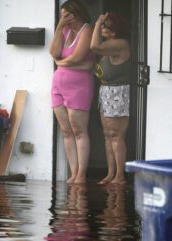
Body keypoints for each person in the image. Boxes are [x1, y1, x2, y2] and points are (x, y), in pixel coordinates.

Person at [49, 0, 95, 184]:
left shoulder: (87, 30)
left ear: (74, 14)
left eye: (65, 15)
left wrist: (61, 62)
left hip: (79, 87)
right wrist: (59, 27)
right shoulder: (64, 30)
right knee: (66, 130)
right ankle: (74, 173)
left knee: (79, 130)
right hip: (58, 85)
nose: (63, 18)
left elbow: (77, 57)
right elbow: (53, 52)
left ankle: (82, 175)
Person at [90, 12, 131, 185]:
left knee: (116, 135)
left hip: (118, 93)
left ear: (116, 30)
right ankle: (111, 173)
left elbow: (93, 47)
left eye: (107, 25)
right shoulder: (108, 46)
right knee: (107, 135)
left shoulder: (120, 44)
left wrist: (97, 23)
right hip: (106, 92)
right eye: (103, 25)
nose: (103, 28)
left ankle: (120, 176)